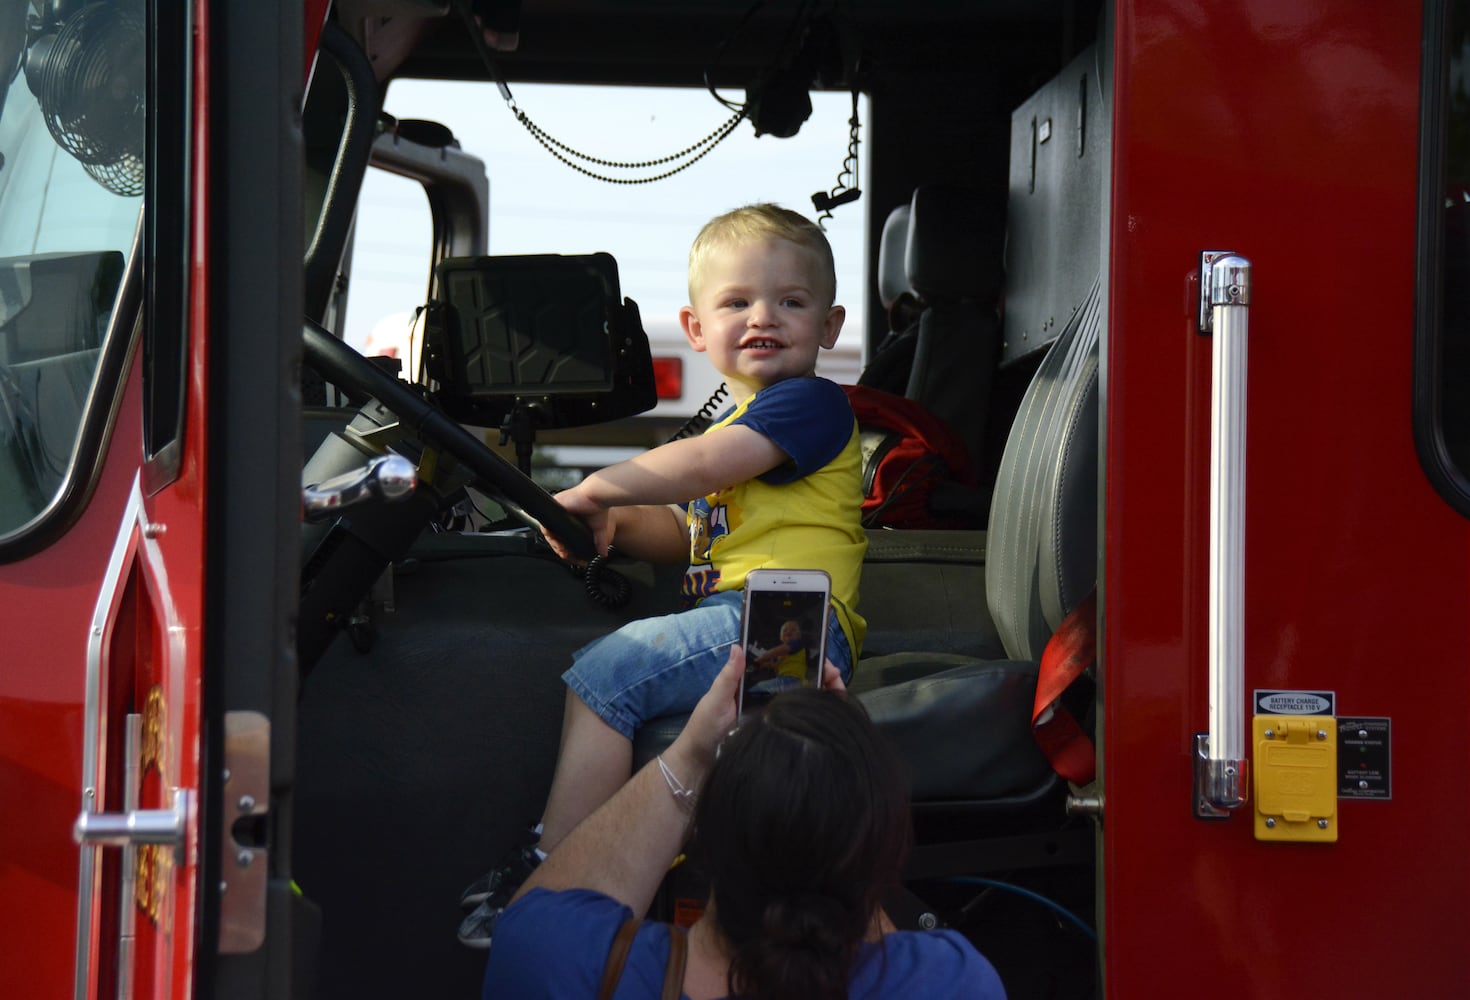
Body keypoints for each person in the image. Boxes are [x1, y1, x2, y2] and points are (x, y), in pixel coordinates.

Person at [458, 204, 869, 947]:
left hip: (791, 625)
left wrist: (601, 485)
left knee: (608, 670)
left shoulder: (811, 405)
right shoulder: (736, 424)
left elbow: (708, 467)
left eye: (791, 302)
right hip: (753, 617)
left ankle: (554, 868)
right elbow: (689, 535)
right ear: (696, 329)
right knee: (618, 670)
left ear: (830, 326)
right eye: (737, 302)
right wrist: (616, 528)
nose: (762, 317)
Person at [481, 646, 1007, 999]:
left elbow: (542, 905)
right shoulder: (951, 983)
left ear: (703, 842)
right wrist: (838, 780)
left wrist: (692, 752)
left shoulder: (553, 963)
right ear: (880, 844)